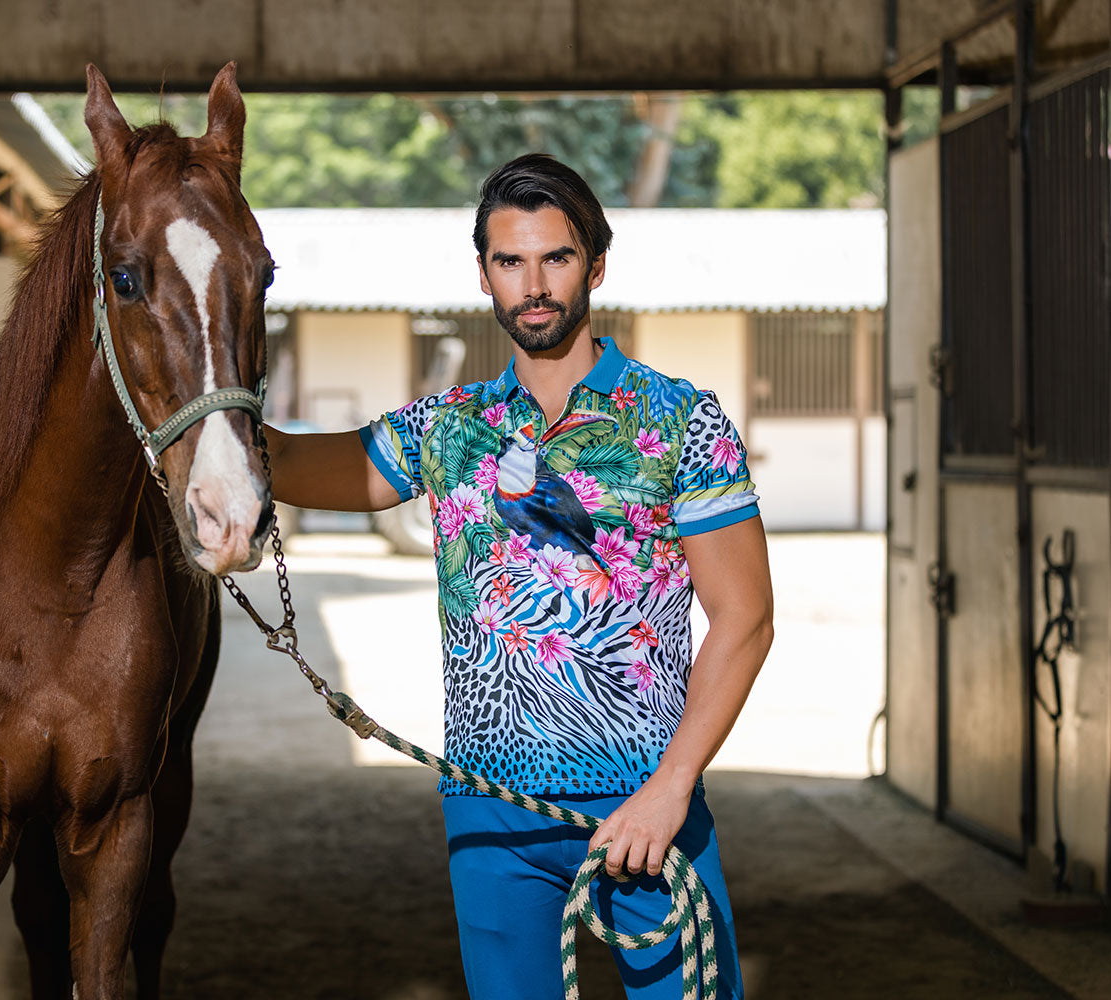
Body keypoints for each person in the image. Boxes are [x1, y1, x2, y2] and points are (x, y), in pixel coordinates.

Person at [263, 153, 772, 1000]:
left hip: (647, 808)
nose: (532, 285)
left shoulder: (683, 421)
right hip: (490, 813)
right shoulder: (445, 428)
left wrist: (668, 789)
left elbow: (745, 618)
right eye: (510, 261)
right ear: (484, 274)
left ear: (595, 265)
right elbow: (280, 460)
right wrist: (183, 408)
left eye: (555, 258)